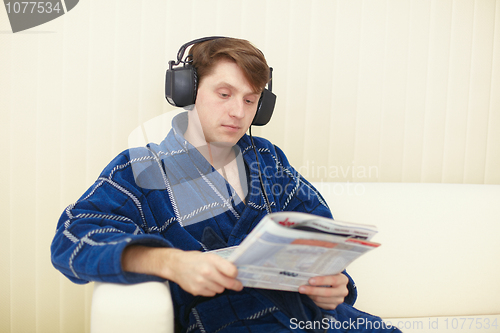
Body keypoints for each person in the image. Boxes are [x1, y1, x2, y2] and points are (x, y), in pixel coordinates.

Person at [51, 37, 400, 333]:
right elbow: (71, 239)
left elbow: (320, 235)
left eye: (250, 100)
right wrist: (170, 263)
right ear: (188, 90)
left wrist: (334, 285)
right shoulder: (140, 168)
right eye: (224, 94)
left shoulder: (269, 161)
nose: (238, 112)